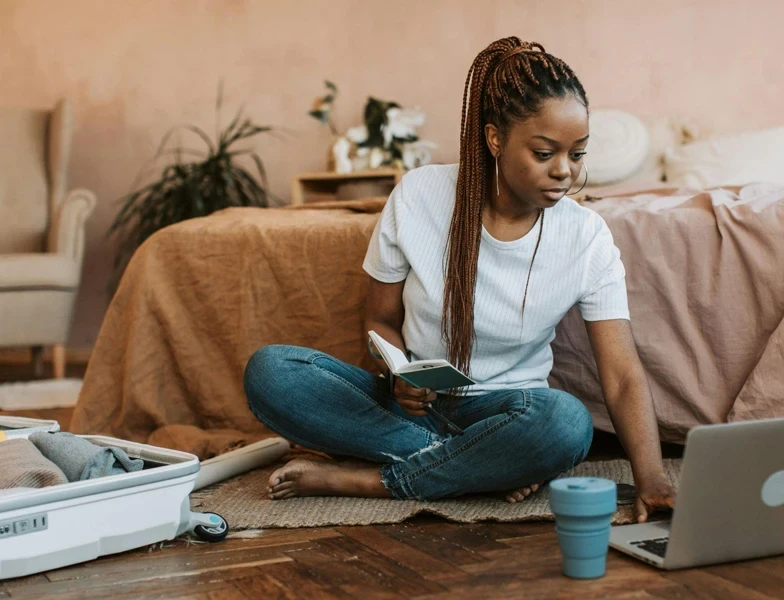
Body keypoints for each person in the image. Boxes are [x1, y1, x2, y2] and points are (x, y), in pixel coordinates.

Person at [243, 36, 676, 521]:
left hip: (508, 411)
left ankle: (378, 479)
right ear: (495, 139)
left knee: (566, 423)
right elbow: (378, 321)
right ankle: (479, 465)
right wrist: (398, 372)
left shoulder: (587, 238)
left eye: (577, 155)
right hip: (411, 408)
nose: (563, 172)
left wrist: (653, 479)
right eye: (544, 152)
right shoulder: (419, 196)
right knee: (271, 371)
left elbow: (619, 375)